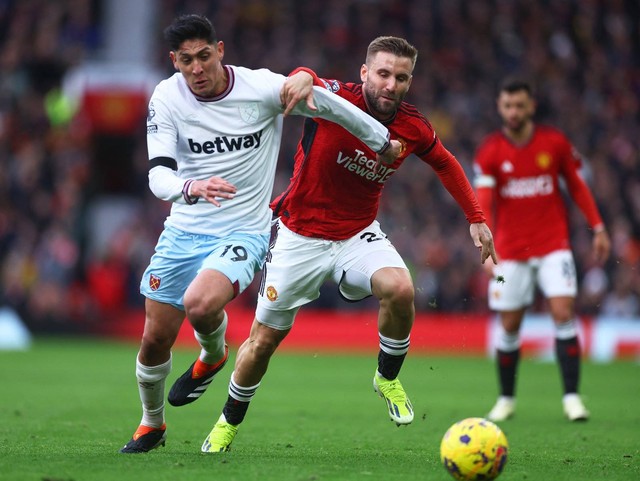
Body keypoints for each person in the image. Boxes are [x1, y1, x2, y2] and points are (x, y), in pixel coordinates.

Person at [171, 36, 497, 453]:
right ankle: (227, 423)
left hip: (357, 233)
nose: (390, 85)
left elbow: (446, 162)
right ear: (365, 74)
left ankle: (387, 378)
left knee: (401, 288)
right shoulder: (335, 100)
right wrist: (305, 75)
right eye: (382, 74)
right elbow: (299, 81)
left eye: (401, 77)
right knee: (263, 342)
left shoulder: (413, 126)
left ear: (409, 82)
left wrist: (476, 219)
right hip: (299, 237)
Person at [120, 14, 403, 454]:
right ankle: (152, 424)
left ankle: (212, 351)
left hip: (243, 230)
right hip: (183, 228)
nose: (197, 69)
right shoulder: (165, 98)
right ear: (174, 61)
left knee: (200, 303)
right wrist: (191, 187)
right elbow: (159, 177)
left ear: (221, 50)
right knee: (154, 337)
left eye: (205, 56)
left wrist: (380, 139)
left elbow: (330, 104)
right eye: (187, 60)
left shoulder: (262, 89)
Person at [473, 78, 611, 422]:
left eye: (520, 105)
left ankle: (572, 399)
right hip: (510, 251)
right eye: (507, 106)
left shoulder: (555, 143)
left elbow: (577, 187)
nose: (514, 112)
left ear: (531, 106)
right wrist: (485, 243)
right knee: (509, 325)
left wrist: (598, 226)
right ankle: (506, 399)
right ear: (499, 108)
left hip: (553, 246)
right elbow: (484, 202)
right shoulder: (490, 151)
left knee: (563, 313)